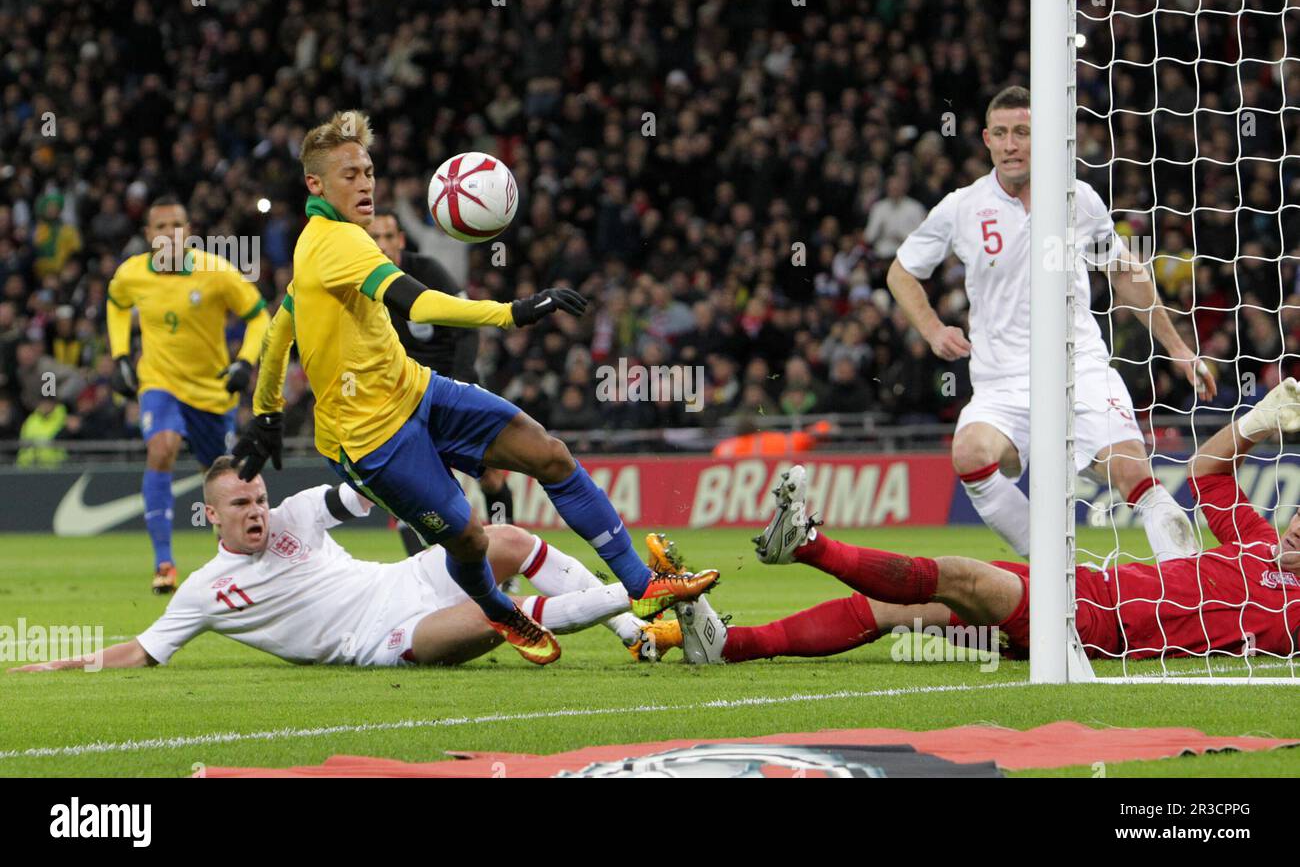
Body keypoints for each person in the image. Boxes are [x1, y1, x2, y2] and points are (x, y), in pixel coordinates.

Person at [233, 111, 715, 665]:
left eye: (368, 170)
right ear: (314, 184)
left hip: (418, 391)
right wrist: (511, 312)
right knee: (471, 540)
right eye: (348, 174)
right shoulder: (337, 244)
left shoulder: (318, 243)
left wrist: (267, 411)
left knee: (549, 455)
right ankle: (496, 607)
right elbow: (418, 303)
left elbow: (279, 329)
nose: (364, 182)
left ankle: (640, 582)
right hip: (371, 440)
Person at [670, 382, 1300, 664]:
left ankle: (808, 544)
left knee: (963, 578)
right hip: (1085, 590)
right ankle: (733, 645)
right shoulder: (1259, 539)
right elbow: (1208, 474)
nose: (1297, 524)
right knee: (897, 614)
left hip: (1096, 627)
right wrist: (1255, 423)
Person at [885, 85, 1215, 562]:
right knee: (970, 453)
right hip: (1003, 381)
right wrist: (934, 329)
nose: (1011, 144)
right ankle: (1058, 574)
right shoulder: (962, 207)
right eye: (1000, 134)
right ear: (986, 140)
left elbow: (1124, 271)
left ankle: (1189, 597)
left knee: (1132, 474)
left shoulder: (1077, 199)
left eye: (1022, 132)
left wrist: (1179, 349)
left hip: (1077, 365)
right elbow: (901, 272)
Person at [9, 457, 681, 672]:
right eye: (240, 503)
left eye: (260, 497)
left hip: (401, 580)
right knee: (490, 614)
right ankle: (641, 597)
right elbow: (145, 650)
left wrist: (411, 460)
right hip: (379, 642)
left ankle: (636, 621)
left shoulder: (296, 513)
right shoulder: (205, 591)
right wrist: (61, 663)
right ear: (210, 515)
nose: (257, 510)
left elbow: (358, 492)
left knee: (501, 538)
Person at [107, 196, 270, 593]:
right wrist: (122, 355)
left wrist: (245, 362)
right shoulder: (131, 274)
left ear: (189, 233)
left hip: (211, 393)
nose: (169, 234)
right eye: (160, 227)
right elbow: (115, 304)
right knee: (161, 447)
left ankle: (238, 560)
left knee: (223, 475)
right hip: (159, 383)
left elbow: (259, 316)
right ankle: (164, 562)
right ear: (148, 236)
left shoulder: (215, 271)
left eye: (176, 225)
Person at [364, 210, 515, 557]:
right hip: (404, 399)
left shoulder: (427, 271)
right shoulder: (363, 284)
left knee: (491, 476)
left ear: (401, 240)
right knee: (410, 487)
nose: (382, 246)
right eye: (373, 238)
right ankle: (425, 575)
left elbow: (466, 325)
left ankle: (507, 562)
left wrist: (458, 382)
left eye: (387, 237)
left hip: (452, 387)